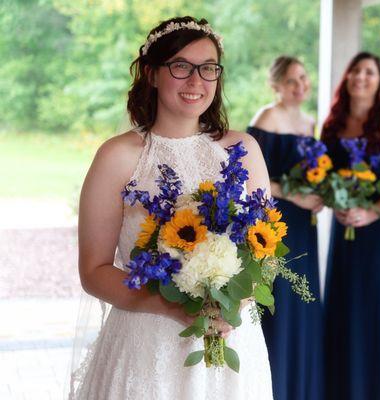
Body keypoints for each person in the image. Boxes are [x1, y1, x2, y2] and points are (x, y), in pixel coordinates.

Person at [70, 16, 273, 400]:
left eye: (208, 68)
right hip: (148, 345)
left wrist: (230, 304)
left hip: (233, 341)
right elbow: (93, 271)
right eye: (181, 66)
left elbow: (265, 253)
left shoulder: (243, 150)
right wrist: (172, 307)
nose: (196, 81)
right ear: (151, 74)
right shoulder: (118, 156)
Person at [321, 52, 380, 400]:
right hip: (347, 234)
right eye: (355, 70)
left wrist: (373, 212)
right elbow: (322, 177)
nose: (361, 77)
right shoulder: (334, 122)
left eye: (369, 72)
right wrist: (336, 203)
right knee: (347, 311)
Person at [247, 56, 324, 400]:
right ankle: (273, 387)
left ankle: (301, 387)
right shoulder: (267, 118)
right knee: (280, 306)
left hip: (305, 227)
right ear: (276, 85)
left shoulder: (311, 123)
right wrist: (294, 194)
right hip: (274, 226)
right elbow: (249, 178)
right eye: (291, 80)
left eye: (303, 78)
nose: (300, 86)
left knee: (303, 306)